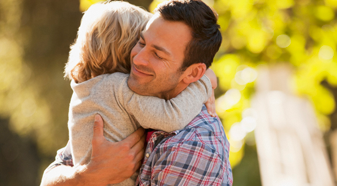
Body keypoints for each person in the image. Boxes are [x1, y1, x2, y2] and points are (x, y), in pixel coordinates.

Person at [40, 0, 232, 186]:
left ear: (193, 72)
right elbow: (52, 175)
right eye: (140, 42)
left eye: (157, 54)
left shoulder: (193, 145)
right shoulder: (120, 101)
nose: (138, 59)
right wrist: (85, 177)